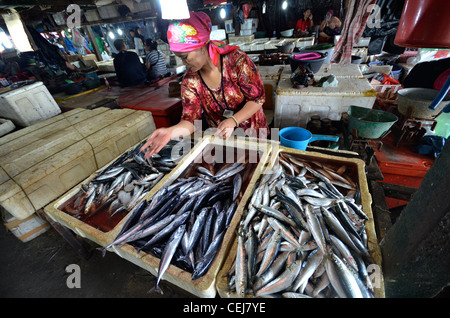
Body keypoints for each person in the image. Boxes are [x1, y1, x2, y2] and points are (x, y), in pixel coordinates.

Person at [140, 11, 268, 158]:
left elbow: (257, 99)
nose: (183, 63)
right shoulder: (190, 81)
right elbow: (190, 120)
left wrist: (234, 120)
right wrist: (171, 132)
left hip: (254, 134)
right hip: (223, 140)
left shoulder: (236, 61)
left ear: (202, 46)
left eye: (185, 57)